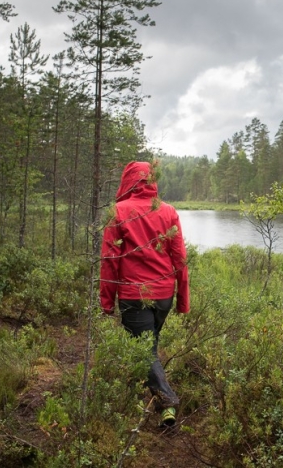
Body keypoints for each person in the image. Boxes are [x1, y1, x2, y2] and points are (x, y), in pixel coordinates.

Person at [100, 161, 190, 428]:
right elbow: (180, 260)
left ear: (128, 180)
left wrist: (106, 303)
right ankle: (144, 389)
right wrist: (182, 300)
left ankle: (168, 402)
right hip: (163, 296)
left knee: (145, 351)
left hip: (133, 295)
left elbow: (109, 260)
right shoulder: (169, 212)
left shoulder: (118, 211)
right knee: (148, 347)